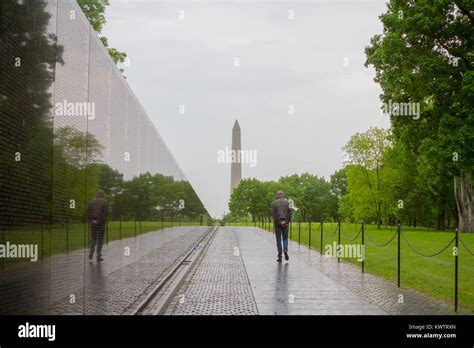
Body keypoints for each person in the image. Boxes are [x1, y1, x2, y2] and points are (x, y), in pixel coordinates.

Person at [87, 189, 109, 262]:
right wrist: (103, 220)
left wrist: (92, 220)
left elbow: (88, 212)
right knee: (100, 239)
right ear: (102, 194)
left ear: (96, 194)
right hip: (101, 223)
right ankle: (98, 255)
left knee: (93, 237)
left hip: (94, 222)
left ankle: (91, 251)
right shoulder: (105, 202)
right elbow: (106, 213)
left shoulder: (91, 201)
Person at [271, 190, 292, 263]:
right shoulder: (288, 202)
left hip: (277, 223)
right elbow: (290, 213)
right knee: (285, 238)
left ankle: (280, 256)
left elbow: (274, 215)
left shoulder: (273, 203)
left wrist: (279, 222)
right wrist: (286, 221)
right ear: (283, 195)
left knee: (278, 240)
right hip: (285, 222)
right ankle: (285, 250)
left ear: (277, 195)